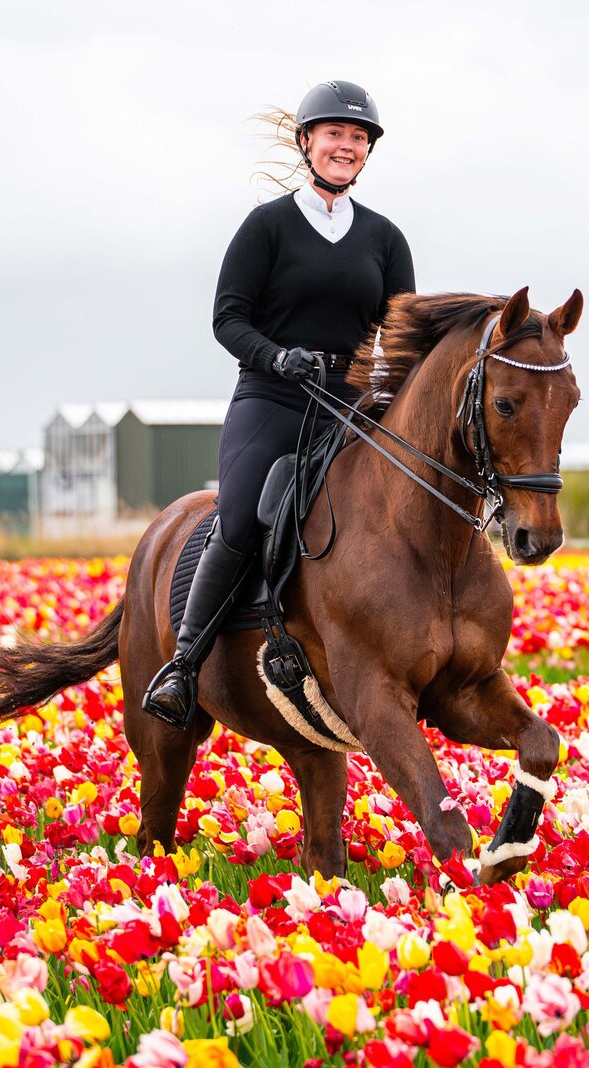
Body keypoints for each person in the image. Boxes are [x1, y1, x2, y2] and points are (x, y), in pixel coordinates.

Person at [143, 80, 416, 727]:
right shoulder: (267, 225)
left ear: (366, 152)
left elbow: (401, 335)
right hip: (271, 399)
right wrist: (275, 356)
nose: (346, 147)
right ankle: (184, 664)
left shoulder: (385, 238)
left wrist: (393, 397)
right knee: (240, 520)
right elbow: (227, 318)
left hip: (347, 406)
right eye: (334, 135)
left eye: (357, 139)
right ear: (306, 143)